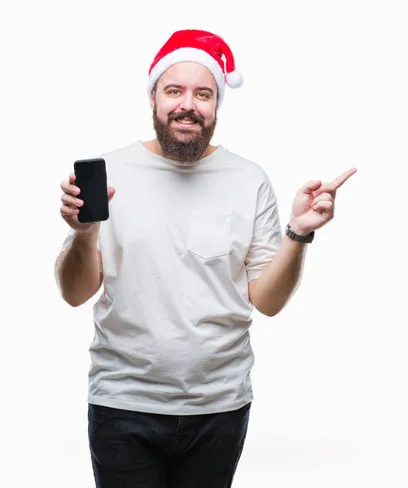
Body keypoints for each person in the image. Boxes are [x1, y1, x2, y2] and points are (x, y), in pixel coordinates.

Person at [55, 29, 356, 488]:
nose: (187, 105)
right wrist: (83, 233)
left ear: (217, 105)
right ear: (153, 97)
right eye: (174, 90)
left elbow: (268, 301)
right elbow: (75, 293)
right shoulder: (108, 173)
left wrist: (298, 233)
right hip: (123, 403)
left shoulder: (248, 178)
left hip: (220, 407)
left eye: (203, 94)